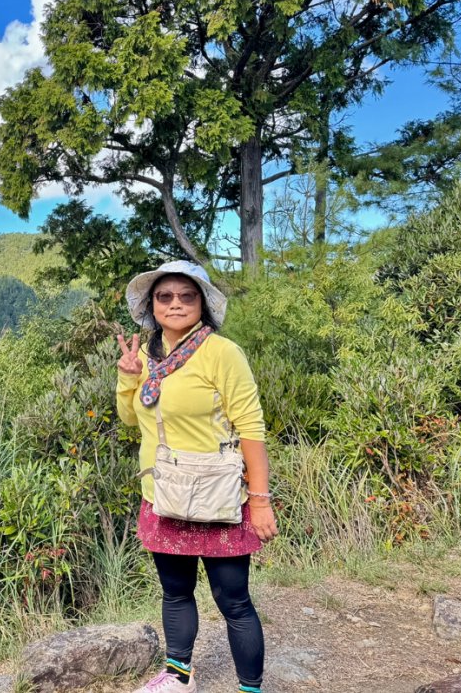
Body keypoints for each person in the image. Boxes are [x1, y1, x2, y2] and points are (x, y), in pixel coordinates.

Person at [115, 260, 278, 693]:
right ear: (152, 305)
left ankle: (250, 688)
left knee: (234, 601)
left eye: (187, 296)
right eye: (165, 296)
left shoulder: (221, 353)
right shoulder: (149, 357)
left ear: (202, 305)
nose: (175, 304)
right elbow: (132, 420)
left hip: (218, 497)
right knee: (175, 591)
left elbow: (251, 428)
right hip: (164, 492)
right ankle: (179, 676)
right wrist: (128, 378)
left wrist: (260, 500)